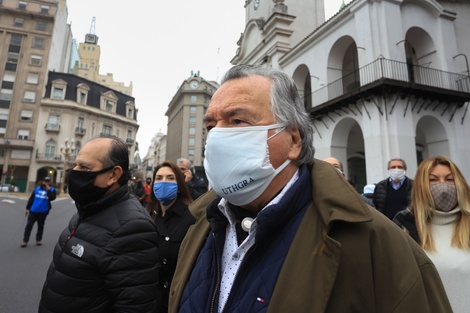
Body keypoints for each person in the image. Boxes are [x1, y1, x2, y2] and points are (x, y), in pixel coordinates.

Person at [168, 65, 451, 313]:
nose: (217, 136)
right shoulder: (198, 225)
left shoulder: (375, 242)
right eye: (210, 126)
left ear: (293, 141)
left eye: (237, 121)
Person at [39, 135, 159, 313]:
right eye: (76, 165)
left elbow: (134, 306)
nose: (75, 172)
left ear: (113, 175)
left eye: (84, 167)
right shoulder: (89, 208)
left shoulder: (132, 229)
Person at [393, 155, 470, 313]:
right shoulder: (405, 226)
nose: (443, 186)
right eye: (433, 179)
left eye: (449, 179)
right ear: (422, 185)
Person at [147, 161, 195, 313]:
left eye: (170, 178)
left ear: (179, 184)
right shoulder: (147, 216)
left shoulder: (191, 217)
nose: (164, 183)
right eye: (159, 178)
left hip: (175, 302)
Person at [21, 176, 56, 247]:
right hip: (33, 211)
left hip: (43, 212)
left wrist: (48, 190)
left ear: (49, 182)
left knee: (40, 226)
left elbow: (52, 198)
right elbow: (31, 198)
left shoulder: (52, 190)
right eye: (45, 181)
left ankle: (38, 240)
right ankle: (25, 241)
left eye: (47, 181)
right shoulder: (37, 189)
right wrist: (27, 208)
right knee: (29, 226)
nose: (46, 182)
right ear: (42, 181)